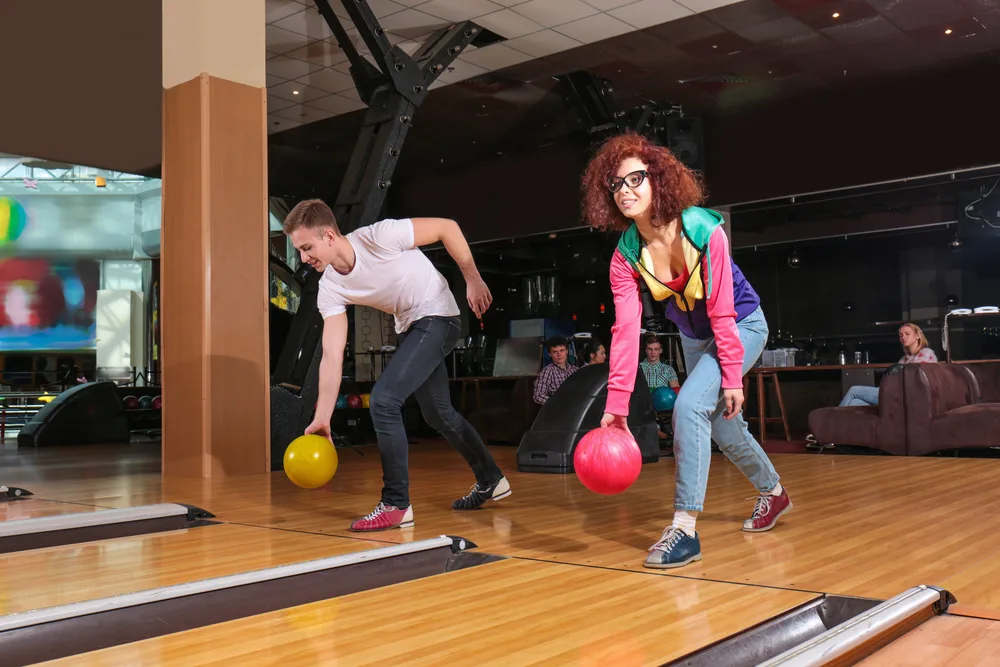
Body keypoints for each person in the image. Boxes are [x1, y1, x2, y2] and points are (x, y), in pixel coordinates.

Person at [581, 131, 791, 569]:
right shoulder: (626, 256)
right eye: (616, 185)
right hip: (697, 341)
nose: (626, 192)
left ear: (658, 179)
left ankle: (684, 527)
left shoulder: (703, 228)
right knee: (723, 429)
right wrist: (617, 405)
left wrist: (732, 376)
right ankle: (774, 494)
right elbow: (625, 331)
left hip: (742, 325)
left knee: (688, 407)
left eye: (635, 179)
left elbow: (722, 310)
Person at [283, 200, 511, 532]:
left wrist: (472, 279)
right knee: (437, 414)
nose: (304, 258)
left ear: (329, 236)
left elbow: (447, 226)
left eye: (307, 248)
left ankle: (395, 504)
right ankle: (491, 478)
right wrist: (323, 416)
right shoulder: (330, 287)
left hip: (438, 315)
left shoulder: (379, 236)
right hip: (412, 326)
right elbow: (332, 354)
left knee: (385, 400)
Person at [839, 323, 937, 407]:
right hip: (896, 392)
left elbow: (914, 379)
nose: (903, 337)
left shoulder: (926, 353)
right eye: (901, 335)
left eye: (907, 334)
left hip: (906, 395)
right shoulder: (904, 359)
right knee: (854, 403)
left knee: (854, 390)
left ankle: (830, 423)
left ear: (917, 336)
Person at [533, 336, 578, 405]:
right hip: (559, 409)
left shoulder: (575, 370)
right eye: (555, 352)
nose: (559, 355)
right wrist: (556, 403)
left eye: (562, 350)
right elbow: (538, 395)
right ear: (550, 354)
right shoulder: (548, 371)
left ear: (567, 351)